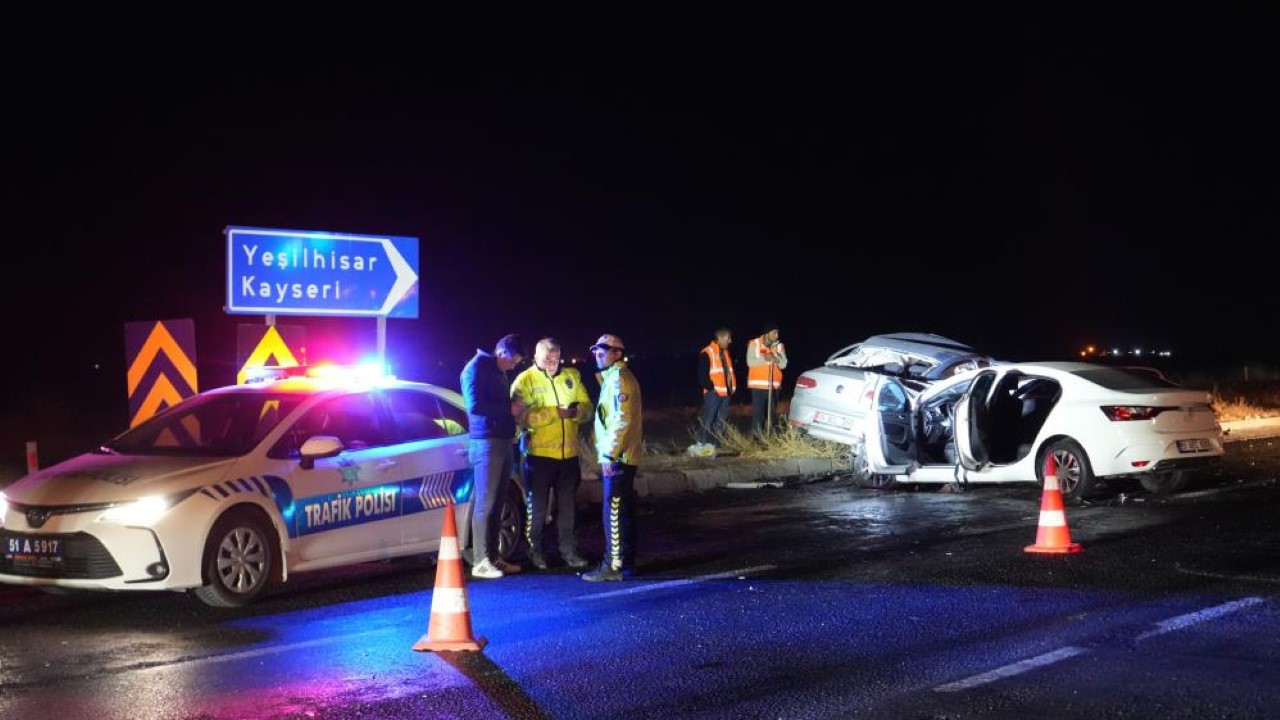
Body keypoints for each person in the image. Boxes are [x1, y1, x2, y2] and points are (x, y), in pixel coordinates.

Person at [510, 338, 592, 570]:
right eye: (547, 359)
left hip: (569, 455)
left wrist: (575, 412)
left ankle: (568, 551)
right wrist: (554, 414)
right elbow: (519, 417)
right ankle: (535, 551)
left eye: (556, 358)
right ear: (535, 357)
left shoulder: (572, 376)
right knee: (537, 508)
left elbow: (588, 408)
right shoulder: (524, 381)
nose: (552, 363)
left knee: (568, 509)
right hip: (539, 456)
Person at [460, 334, 526, 579]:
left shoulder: (500, 372)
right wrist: (508, 409)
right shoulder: (475, 370)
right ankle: (480, 560)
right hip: (486, 442)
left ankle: (494, 557)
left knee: (498, 502)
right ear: (501, 353)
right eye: (513, 361)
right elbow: (474, 406)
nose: (514, 366)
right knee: (485, 504)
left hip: (504, 440)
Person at [583, 334, 643, 582]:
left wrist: (609, 455)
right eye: (596, 350)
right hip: (620, 456)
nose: (598, 354)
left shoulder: (619, 381)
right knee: (620, 510)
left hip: (618, 457)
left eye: (604, 350)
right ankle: (623, 561)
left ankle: (613, 565)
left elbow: (622, 421)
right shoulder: (613, 379)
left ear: (618, 353)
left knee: (614, 512)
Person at [696, 327, 736, 445]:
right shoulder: (707, 352)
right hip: (713, 394)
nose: (730, 341)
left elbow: (728, 373)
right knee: (708, 419)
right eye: (728, 338)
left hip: (726, 394)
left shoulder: (726, 353)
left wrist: (730, 389)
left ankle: (717, 444)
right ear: (721, 338)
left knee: (721, 421)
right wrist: (712, 388)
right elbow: (701, 375)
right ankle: (700, 442)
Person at [747, 323, 788, 434]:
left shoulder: (779, 346)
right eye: (774, 332)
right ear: (766, 333)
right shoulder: (754, 344)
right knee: (758, 415)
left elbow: (783, 365)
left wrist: (777, 358)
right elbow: (750, 362)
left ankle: (770, 440)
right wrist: (765, 358)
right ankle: (755, 440)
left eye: (777, 332)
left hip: (774, 387)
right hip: (758, 387)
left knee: (771, 415)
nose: (777, 335)